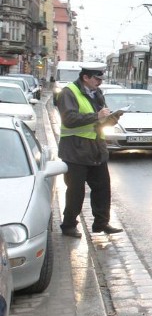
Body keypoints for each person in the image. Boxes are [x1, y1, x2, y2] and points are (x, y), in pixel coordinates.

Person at [57, 63, 124, 237]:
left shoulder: (97, 93)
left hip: (96, 150)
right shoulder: (69, 92)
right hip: (75, 151)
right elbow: (69, 119)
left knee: (103, 189)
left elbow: (100, 122)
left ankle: (101, 224)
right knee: (75, 192)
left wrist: (112, 118)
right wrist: (97, 116)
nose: (99, 82)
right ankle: (69, 225)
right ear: (85, 77)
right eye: (97, 79)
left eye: (101, 79)